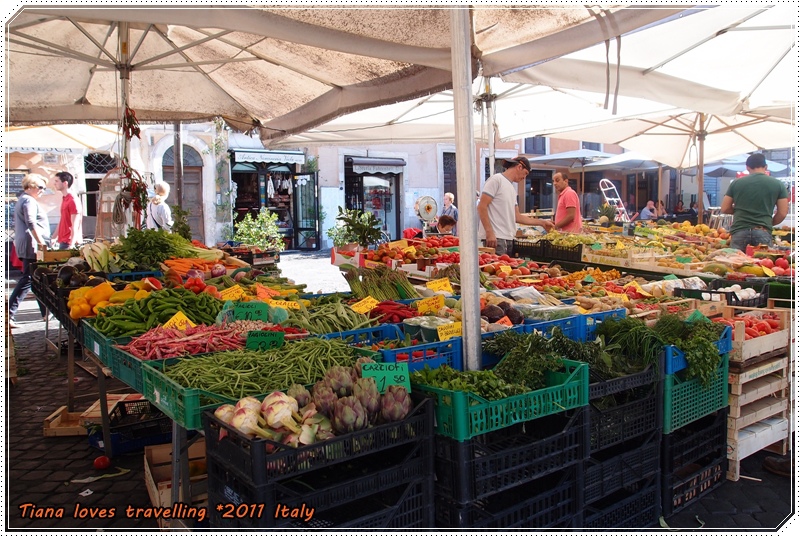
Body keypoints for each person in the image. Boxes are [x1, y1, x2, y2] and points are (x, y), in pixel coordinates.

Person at [477, 156, 554, 255]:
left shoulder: (512, 188)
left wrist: (542, 222)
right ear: (519, 167)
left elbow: (517, 217)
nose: (524, 177)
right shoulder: (496, 180)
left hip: (508, 238)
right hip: (496, 238)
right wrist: (489, 232)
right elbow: (482, 206)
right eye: (525, 173)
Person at [8, 174, 51, 328]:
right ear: (31, 186)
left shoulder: (24, 199)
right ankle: (9, 313)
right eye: (40, 187)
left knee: (37, 279)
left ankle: (45, 312)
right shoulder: (28, 200)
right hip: (31, 245)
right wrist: (41, 243)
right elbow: (31, 222)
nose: (42, 191)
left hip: (28, 244)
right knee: (28, 279)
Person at [721, 153, 788, 252]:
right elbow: (782, 212)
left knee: (736, 264)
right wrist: (768, 222)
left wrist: (740, 211)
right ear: (766, 167)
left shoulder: (736, 183)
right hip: (763, 230)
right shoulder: (778, 185)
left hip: (740, 230)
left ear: (747, 167)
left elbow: (725, 208)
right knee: (763, 264)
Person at [53, 171, 82, 250]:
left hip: (68, 242)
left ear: (65, 183)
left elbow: (75, 224)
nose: (54, 183)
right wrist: (54, 237)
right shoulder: (65, 198)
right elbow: (63, 220)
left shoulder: (73, 200)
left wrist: (71, 244)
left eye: (56, 181)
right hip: (63, 241)